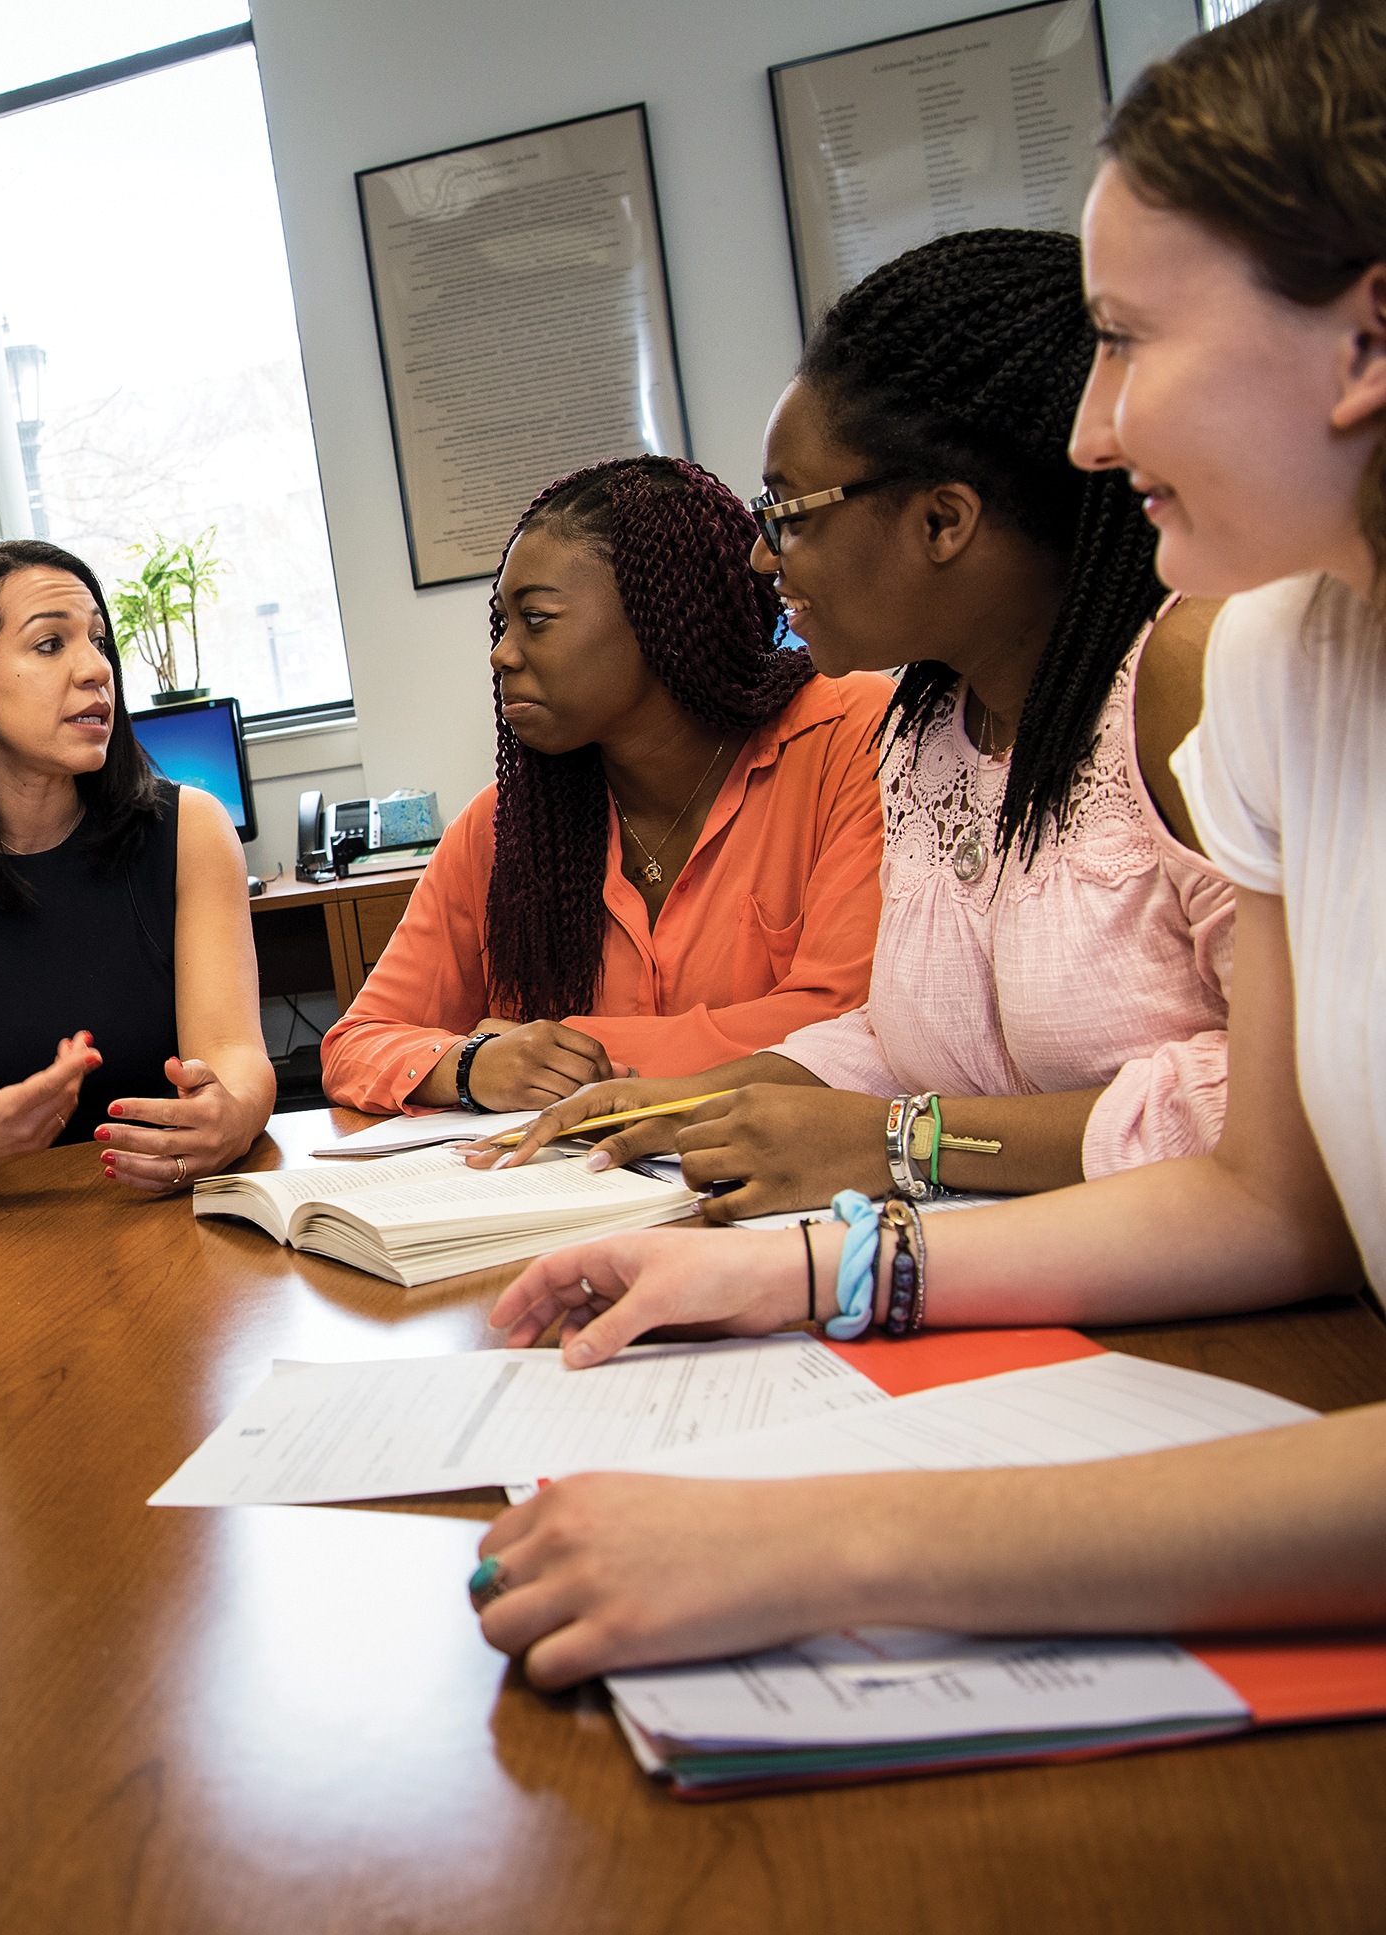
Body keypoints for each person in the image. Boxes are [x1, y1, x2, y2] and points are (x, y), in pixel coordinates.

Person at [473, 0, 1386, 1691]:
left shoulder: (1195, 665)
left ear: (1366, 338)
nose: (1092, 433)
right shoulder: (1284, 665)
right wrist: (806, 1270)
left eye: (1129, 340)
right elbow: (1274, 1205)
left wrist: (830, 1539)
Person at [484, 231, 1232, 1216]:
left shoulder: (1186, 678)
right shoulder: (931, 730)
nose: (761, 557)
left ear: (943, 520)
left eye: (789, 511)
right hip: (1011, 1270)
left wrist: (903, 1141)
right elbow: (903, 1040)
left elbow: (1287, 1102)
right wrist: (702, 1097)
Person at [320, 457, 890, 1117]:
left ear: (663, 615)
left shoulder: (848, 737)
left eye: (536, 620)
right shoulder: (501, 826)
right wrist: (474, 1066)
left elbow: (849, 1023)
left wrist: (569, 1052)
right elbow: (356, 1044)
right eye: (503, 624)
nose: (501, 653)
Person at [0, 539, 276, 1191]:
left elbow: (234, 1053)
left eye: (96, 640)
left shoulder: (191, 831)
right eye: (49, 644)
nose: (95, 669)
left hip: (169, 1209)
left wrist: (230, 1111)